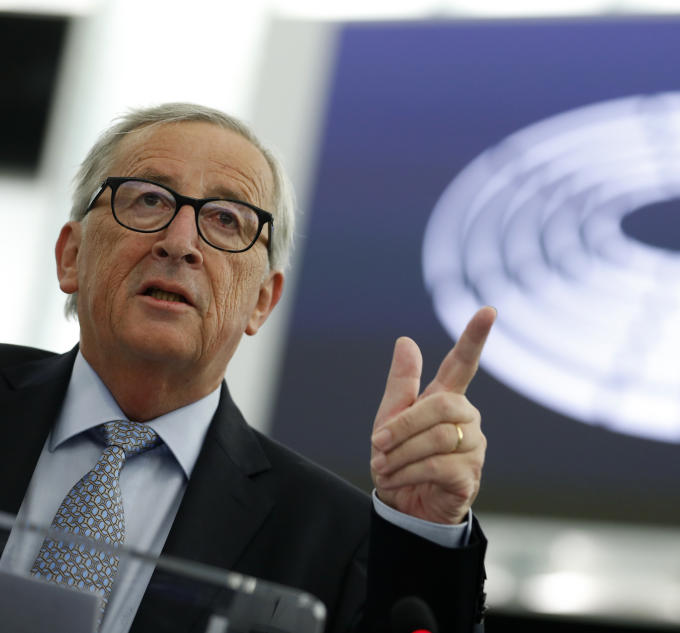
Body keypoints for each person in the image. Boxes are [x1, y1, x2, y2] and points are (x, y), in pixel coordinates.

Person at [0, 103, 496, 633]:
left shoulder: (333, 534)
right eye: (148, 199)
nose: (180, 243)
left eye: (225, 219)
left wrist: (421, 536)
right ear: (71, 256)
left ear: (262, 300)